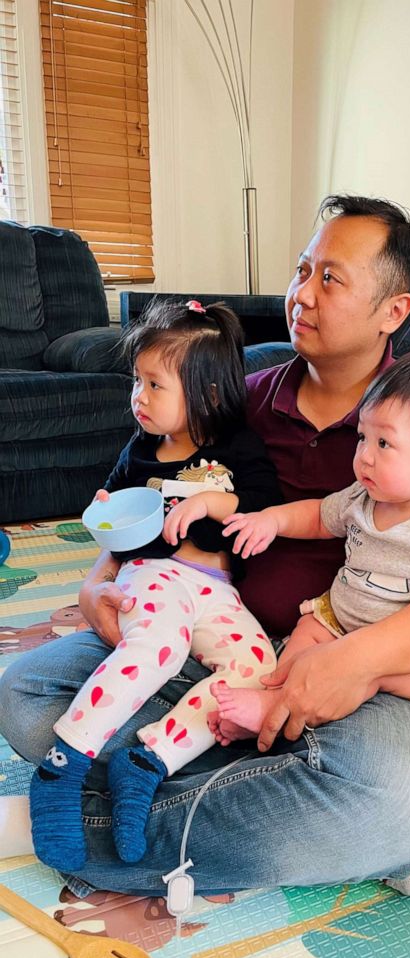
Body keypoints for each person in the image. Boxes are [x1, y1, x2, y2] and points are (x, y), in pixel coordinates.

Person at [0, 195, 410, 900]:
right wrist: (96, 582)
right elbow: (145, 483)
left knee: (395, 802)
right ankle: (267, 797)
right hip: (204, 641)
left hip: (361, 680)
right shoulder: (238, 398)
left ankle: (77, 819)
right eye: (301, 270)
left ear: (394, 312)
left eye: (330, 279)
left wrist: (355, 660)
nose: (301, 295)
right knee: (25, 694)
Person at [29, 299, 280, 873]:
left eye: (154, 384)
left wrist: (217, 500)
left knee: (257, 669)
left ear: (209, 394)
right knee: (156, 647)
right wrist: (104, 512)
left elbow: (267, 505)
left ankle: (149, 760)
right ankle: (62, 767)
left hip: (216, 588)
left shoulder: (236, 448)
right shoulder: (139, 452)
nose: (138, 397)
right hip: (154, 575)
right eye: (136, 382)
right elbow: (112, 521)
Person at [213, 345, 410, 753]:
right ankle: (274, 700)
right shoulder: (363, 497)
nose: (363, 456)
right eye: (363, 437)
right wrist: (272, 519)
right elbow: (317, 517)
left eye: (384, 444)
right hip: (338, 620)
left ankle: (350, 686)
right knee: (304, 637)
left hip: (407, 659)